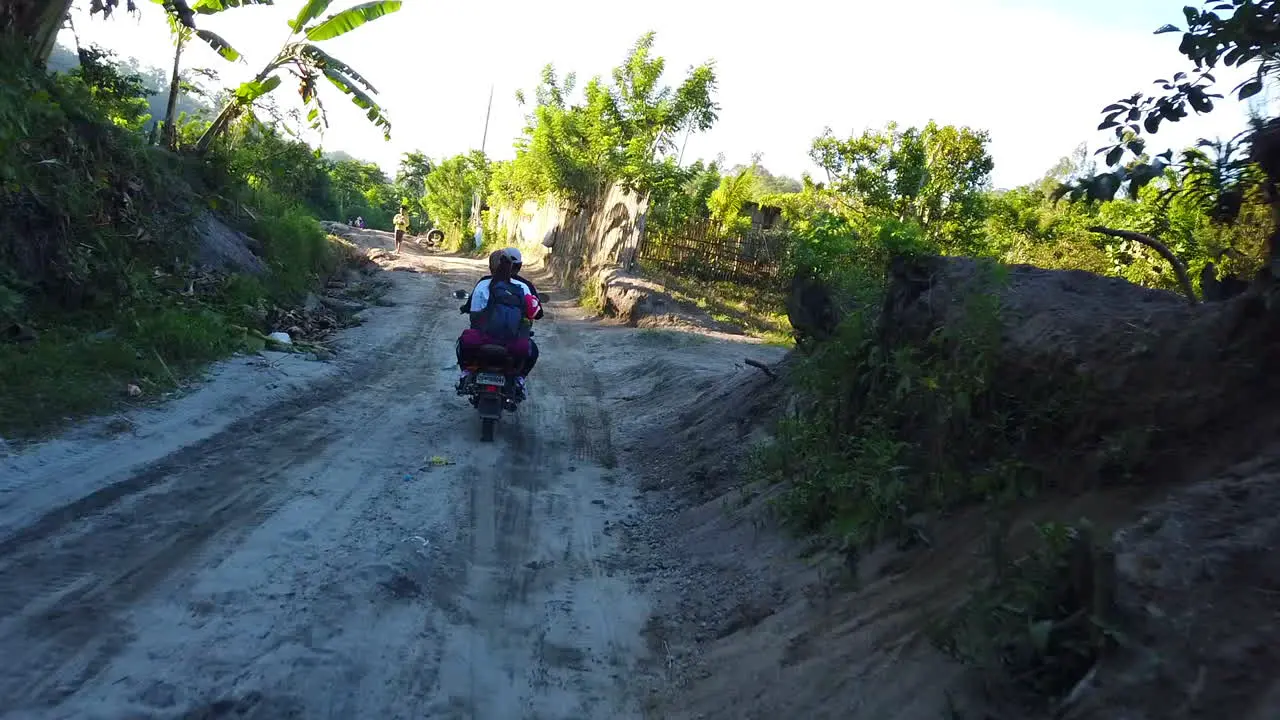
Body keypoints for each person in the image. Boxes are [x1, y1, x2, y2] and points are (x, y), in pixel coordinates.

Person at [456, 250, 535, 397]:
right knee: (532, 350)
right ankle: (519, 379)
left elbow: (474, 315)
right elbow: (532, 314)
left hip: (483, 340)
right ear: (511, 267)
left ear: (490, 267)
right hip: (512, 342)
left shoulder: (482, 285)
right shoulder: (522, 287)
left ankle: (466, 372)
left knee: (461, 343)